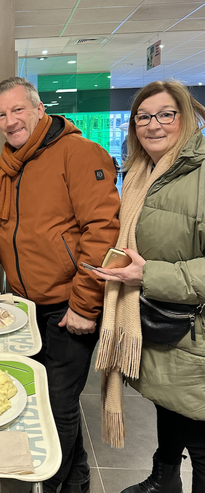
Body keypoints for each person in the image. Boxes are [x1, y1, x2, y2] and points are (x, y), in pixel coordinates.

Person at [0, 77, 120, 493]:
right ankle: (76, 481)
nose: (10, 120)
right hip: (24, 309)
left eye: (18, 110)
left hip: (68, 306)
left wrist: (86, 306)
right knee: (46, 403)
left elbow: (103, 233)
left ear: (39, 110)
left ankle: (51, 486)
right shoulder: (7, 164)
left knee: (57, 404)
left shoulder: (78, 153)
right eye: (1, 114)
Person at [93, 80, 205, 493]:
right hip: (164, 319)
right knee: (170, 407)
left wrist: (148, 275)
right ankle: (164, 479)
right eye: (143, 116)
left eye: (165, 115)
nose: (153, 125)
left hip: (196, 328)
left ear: (186, 118)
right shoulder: (143, 172)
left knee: (200, 434)